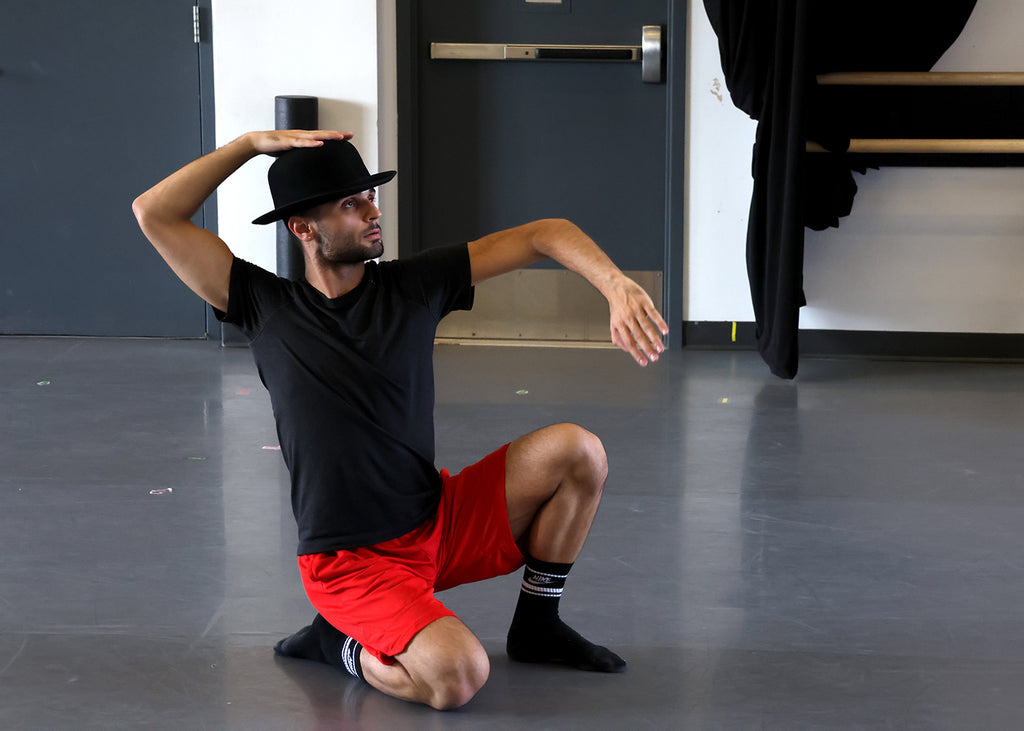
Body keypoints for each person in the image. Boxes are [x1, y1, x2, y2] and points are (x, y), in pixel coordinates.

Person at [132, 129, 668, 710]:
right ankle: (335, 639)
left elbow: (545, 234)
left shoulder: (414, 286)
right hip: (349, 563)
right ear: (302, 228)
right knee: (458, 676)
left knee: (578, 450)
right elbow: (154, 213)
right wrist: (249, 145)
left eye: (368, 196)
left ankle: (538, 623)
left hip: (436, 521)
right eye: (350, 204)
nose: (372, 211)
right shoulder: (265, 307)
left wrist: (615, 285)